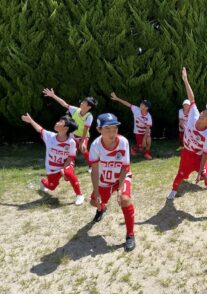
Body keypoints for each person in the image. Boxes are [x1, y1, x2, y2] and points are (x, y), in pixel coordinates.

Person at [167, 67, 207, 223]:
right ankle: (173, 190)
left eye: (206, 114)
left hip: (199, 158)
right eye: (204, 111)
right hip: (187, 153)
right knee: (180, 174)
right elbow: (191, 98)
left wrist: (201, 171)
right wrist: (185, 80)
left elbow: (206, 154)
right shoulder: (193, 114)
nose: (202, 113)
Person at [88, 113, 136, 251]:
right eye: (107, 129)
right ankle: (102, 208)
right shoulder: (96, 146)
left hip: (121, 176)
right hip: (104, 181)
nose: (112, 132)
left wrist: (120, 190)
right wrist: (96, 192)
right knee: (93, 202)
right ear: (99, 130)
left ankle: (130, 235)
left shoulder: (123, 142)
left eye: (115, 128)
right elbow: (95, 171)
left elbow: (125, 167)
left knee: (125, 200)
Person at [21, 113, 84, 205]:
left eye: (60, 122)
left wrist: (63, 168)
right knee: (51, 187)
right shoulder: (50, 136)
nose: (57, 123)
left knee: (69, 173)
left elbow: (71, 157)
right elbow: (40, 129)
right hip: (52, 168)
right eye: (58, 121)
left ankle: (79, 195)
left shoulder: (71, 142)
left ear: (66, 128)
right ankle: (43, 182)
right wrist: (31, 121)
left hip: (66, 164)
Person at [43, 88, 96, 167]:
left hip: (83, 136)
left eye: (84, 102)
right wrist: (53, 95)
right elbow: (64, 104)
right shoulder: (75, 110)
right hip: (72, 135)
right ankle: (70, 165)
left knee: (83, 149)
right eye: (83, 101)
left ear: (89, 107)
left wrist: (81, 142)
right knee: (70, 150)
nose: (81, 103)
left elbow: (86, 129)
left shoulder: (89, 116)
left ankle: (92, 165)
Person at [110, 92, 153, 160]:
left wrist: (145, 138)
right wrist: (117, 98)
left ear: (146, 108)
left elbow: (148, 127)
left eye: (142, 104)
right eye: (141, 103)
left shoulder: (149, 116)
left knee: (149, 140)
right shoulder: (136, 109)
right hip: (138, 132)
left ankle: (146, 153)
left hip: (145, 132)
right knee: (141, 148)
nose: (140, 105)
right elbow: (127, 104)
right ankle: (133, 148)